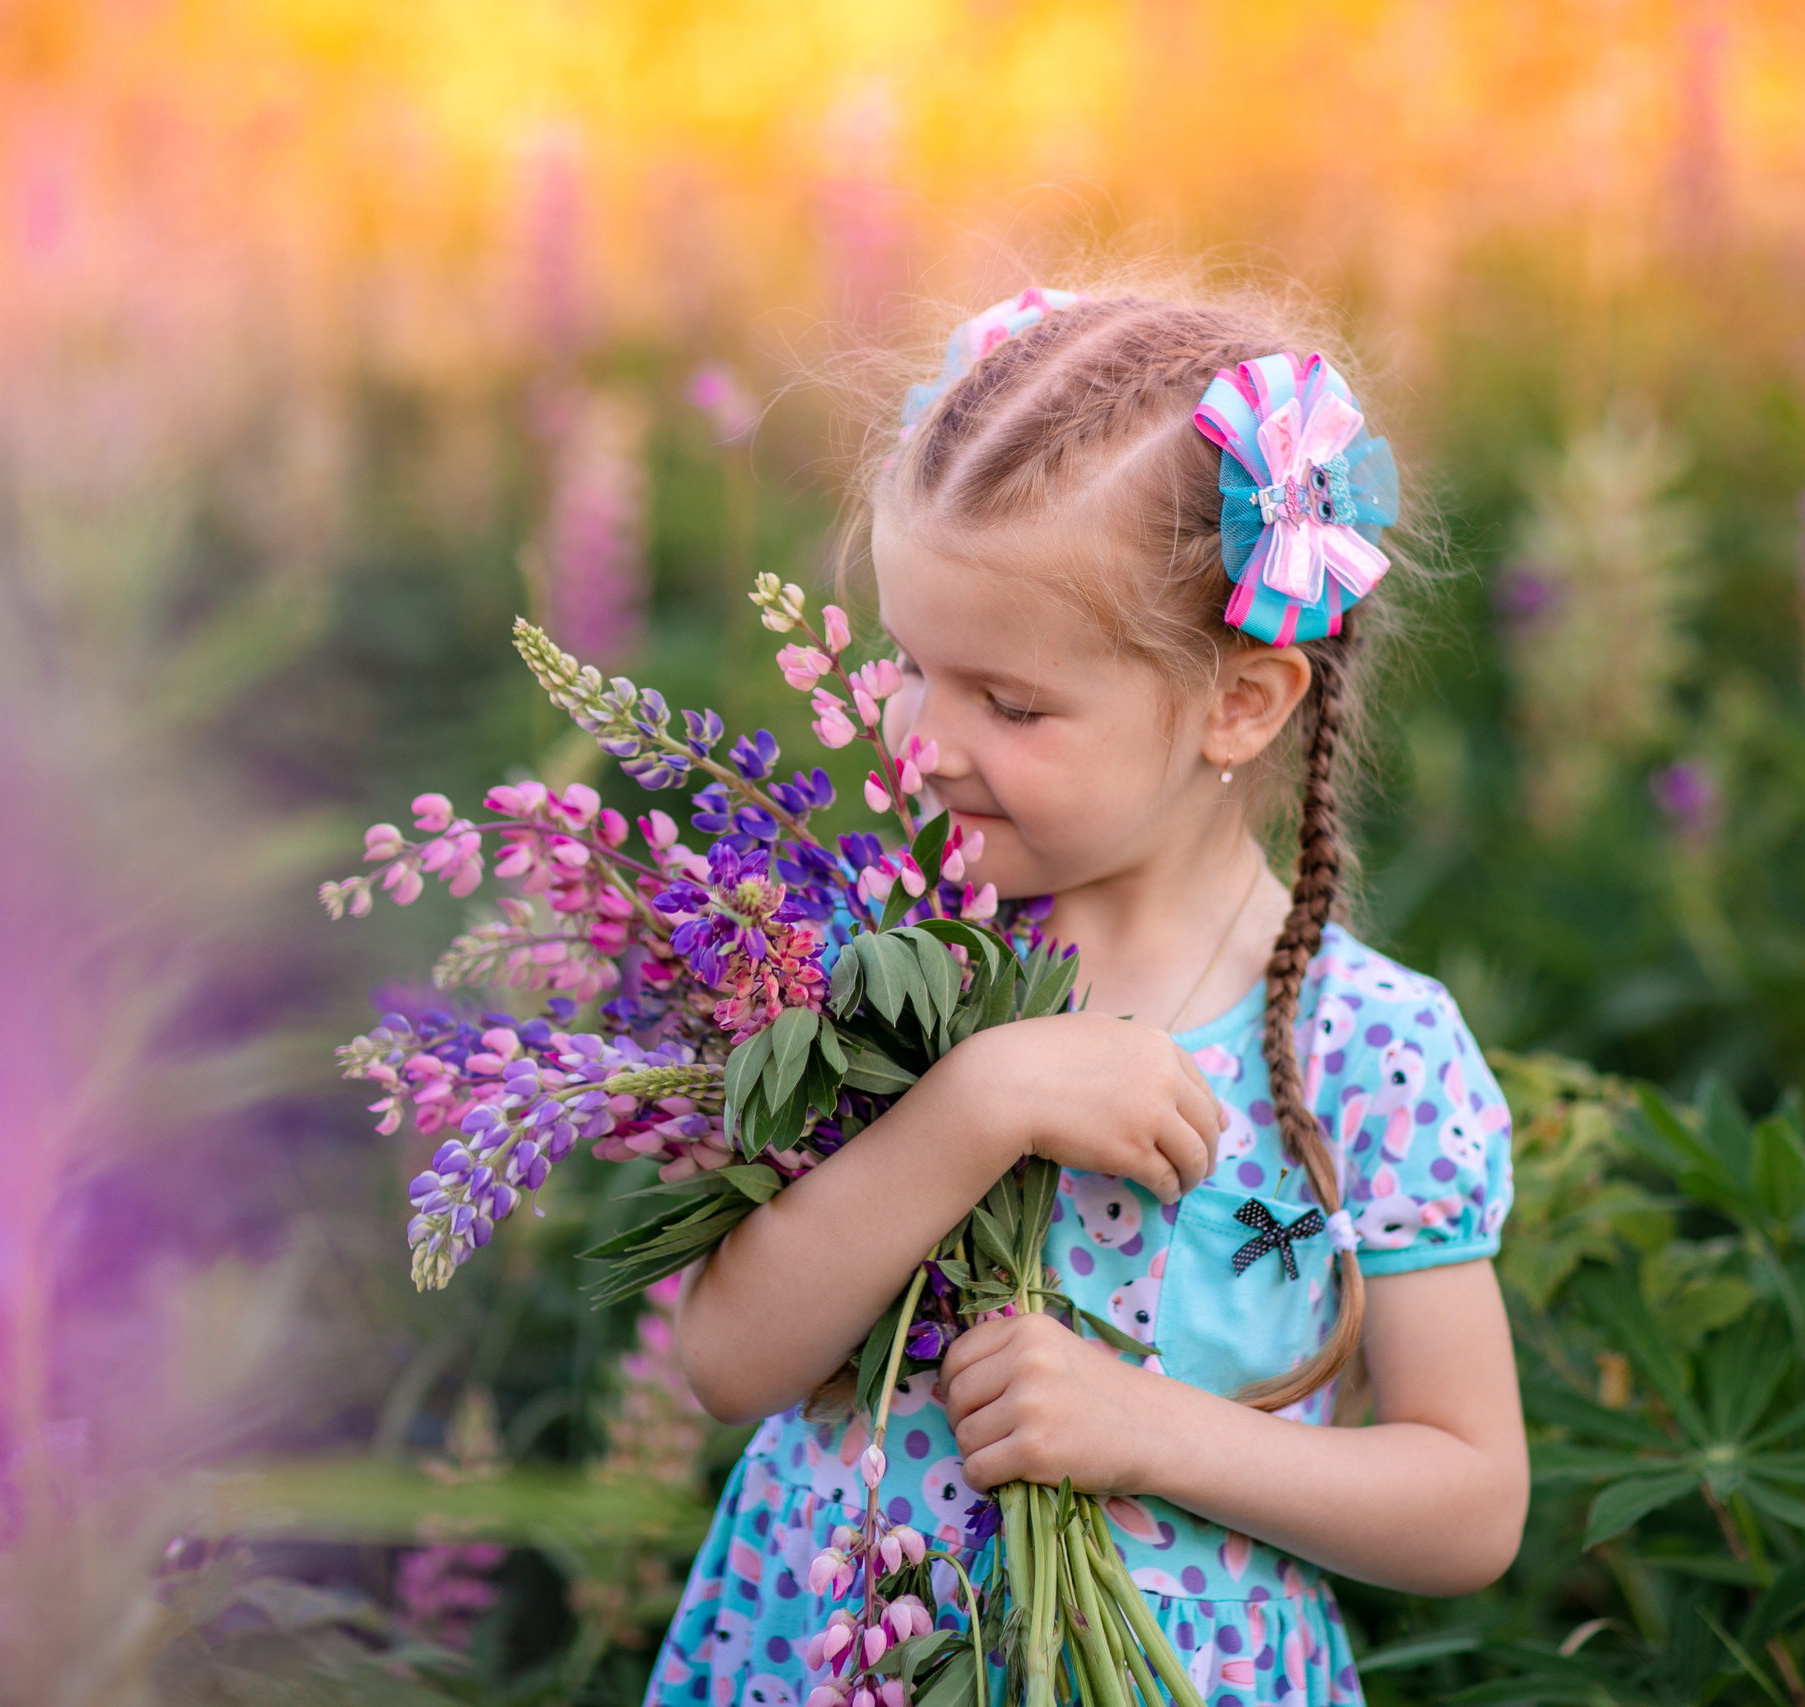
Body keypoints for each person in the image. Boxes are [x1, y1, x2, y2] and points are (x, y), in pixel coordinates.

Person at [649, 287, 1527, 1707]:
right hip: (829, 1652)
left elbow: (1470, 1502)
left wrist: (1144, 1430)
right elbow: (732, 1360)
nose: (923, 743)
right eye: (910, 667)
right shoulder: (885, 958)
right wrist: (975, 1104)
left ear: (1242, 703)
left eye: (1010, 704)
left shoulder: (1373, 1049)